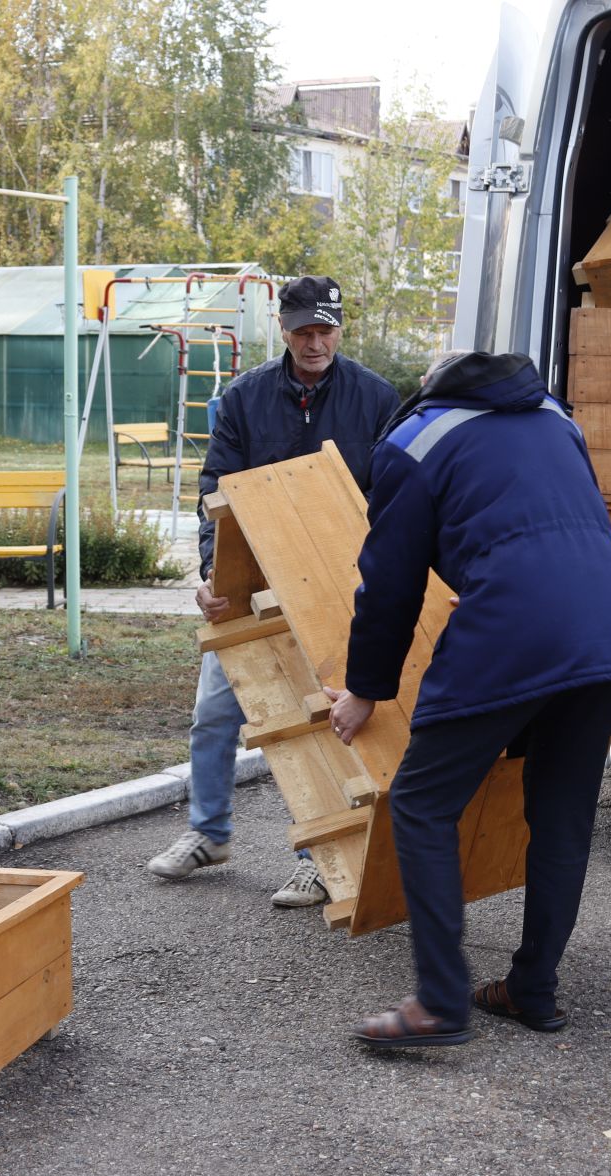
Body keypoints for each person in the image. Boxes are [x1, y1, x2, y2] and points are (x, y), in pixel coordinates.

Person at [321, 349, 611, 1046]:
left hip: (514, 630)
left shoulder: (413, 439)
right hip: (608, 633)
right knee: (562, 820)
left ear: (427, 390)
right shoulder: (553, 416)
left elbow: (389, 584)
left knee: (420, 803)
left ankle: (440, 1003)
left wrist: (365, 690)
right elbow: (552, 523)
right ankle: (532, 990)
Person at [145, 275, 402, 907]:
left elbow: (393, 496)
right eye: (304, 331)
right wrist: (213, 576)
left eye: (326, 330)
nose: (316, 343)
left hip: (337, 587)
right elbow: (216, 493)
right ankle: (208, 834)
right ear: (283, 331)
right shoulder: (243, 398)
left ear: (340, 329)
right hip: (253, 579)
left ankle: (319, 857)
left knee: (321, 722)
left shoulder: (377, 398)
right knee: (215, 715)